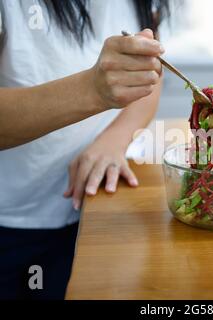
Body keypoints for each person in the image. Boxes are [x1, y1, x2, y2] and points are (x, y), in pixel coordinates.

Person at [0, 0, 170, 299]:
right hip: (14, 223)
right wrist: (93, 90)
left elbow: (149, 75)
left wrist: (113, 139)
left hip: (100, 211)